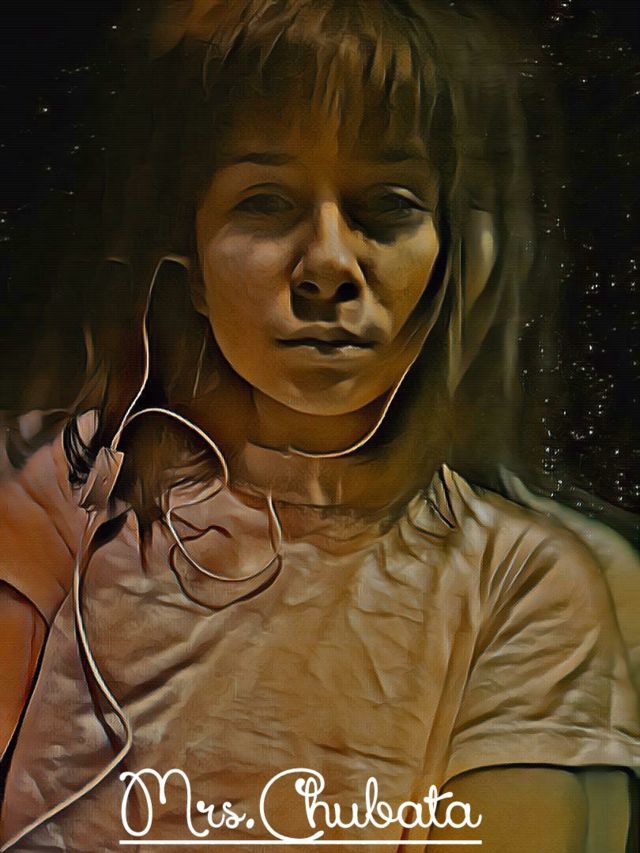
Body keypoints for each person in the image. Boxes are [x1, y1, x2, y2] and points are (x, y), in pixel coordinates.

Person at [0, 0, 639, 850]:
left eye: (388, 205)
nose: (329, 265)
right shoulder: (74, 483)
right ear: (190, 265)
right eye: (266, 202)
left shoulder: (524, 582)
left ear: (459, 259)